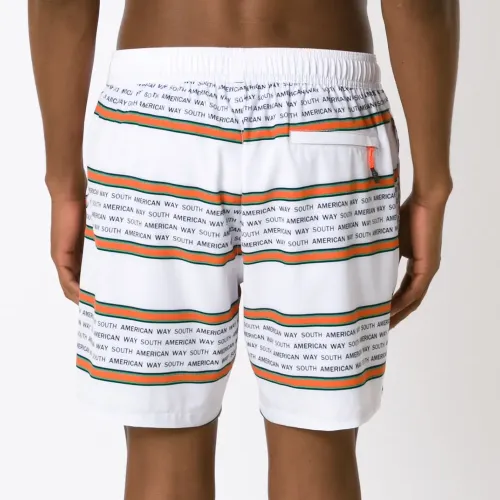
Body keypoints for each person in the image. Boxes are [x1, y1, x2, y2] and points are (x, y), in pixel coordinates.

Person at [28, 1, 458, 498]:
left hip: (156, 126)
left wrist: (64, 184)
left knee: (161, 444)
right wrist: (433, 187)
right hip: (326, 124)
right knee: (318, 440)